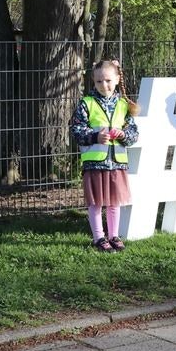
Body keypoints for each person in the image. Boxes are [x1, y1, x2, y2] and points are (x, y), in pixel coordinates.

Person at [70, 59, 139, 251]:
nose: (104, 85)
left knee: (114, 202)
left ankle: (113, 235)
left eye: (108, 80)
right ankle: (98, 237)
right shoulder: (87, 103)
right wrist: (95, 136)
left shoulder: (124, 105)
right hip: (95, 164)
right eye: (99, 81)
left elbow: (134, 134)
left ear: (117, 79)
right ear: (93, 81)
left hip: (117, 164)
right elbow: (76, 130)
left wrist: (123, 135)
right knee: (96, 202)